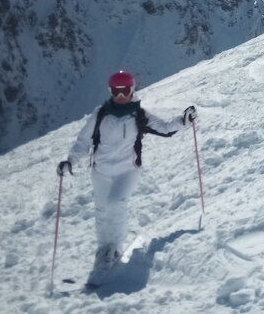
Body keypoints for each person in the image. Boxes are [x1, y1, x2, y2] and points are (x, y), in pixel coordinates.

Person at [57, 70, 196, 269]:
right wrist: (70, 161)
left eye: (125, 91)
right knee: (101, 209)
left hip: (127, 170)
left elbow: (164, 128)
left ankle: (114, 245)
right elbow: (83, 142)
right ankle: (103, 247)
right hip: (101, 171)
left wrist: (184, 121)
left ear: (132, 91)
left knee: (116, 202)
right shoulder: (101, 115)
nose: (120, 96)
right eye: (116, 91)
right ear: (110, 91)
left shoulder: (138, 115)